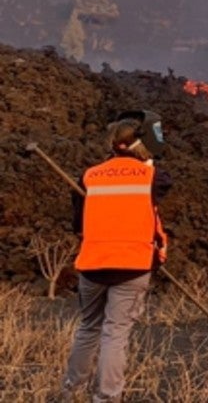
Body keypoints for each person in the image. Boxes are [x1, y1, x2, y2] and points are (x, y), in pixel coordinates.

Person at [62, 114, 171, 403]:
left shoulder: (89, 176)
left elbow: (78, 225)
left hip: (93, 264)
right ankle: (107, 398)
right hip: (132, 266)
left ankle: (70, 391)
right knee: (115, 334)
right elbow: (158, 193)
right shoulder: (153, 177)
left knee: (88, 328)